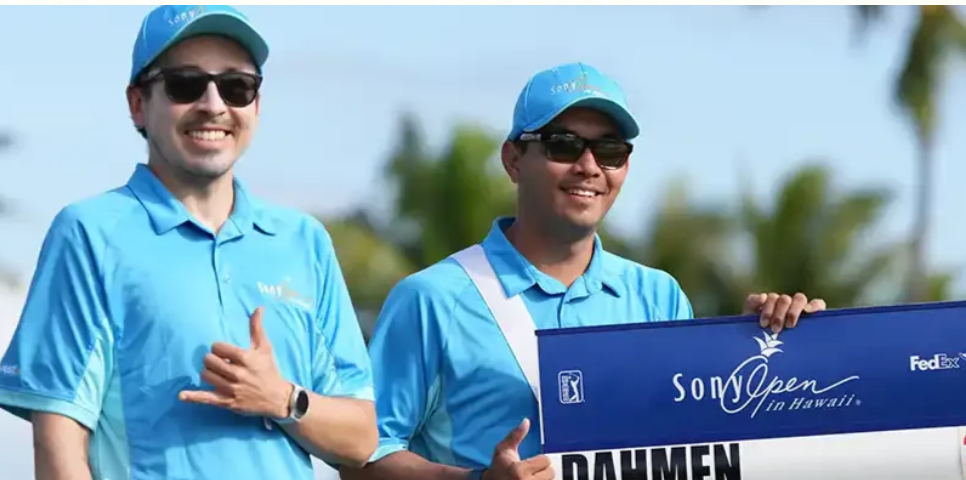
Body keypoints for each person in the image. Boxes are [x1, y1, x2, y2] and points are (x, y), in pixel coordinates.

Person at [338, 62, 827, 480]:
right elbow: (360, 456)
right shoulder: (431, 298)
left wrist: (771, 346)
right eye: (564, 145)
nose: (590, 166)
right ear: (513, 159)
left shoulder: (659, 295)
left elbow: (698, 440)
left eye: (610, 150)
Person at [0, 5, 376, 480]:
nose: (214, 104)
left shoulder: (304, 241)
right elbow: (58, 444)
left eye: (237, 86)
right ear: (138, 103)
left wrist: (283, 398)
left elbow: (362, 439)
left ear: (256, 105)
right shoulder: (90, 234)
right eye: (185, 84)